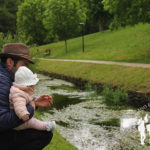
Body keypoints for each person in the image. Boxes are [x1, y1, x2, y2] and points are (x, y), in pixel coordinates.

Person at [0, 43, 53, 150]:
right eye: (23, 65)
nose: (26, 69)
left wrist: (35, 103)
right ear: (10, 62)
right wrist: (31, 107)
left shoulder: (6, 76)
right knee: (43, 135)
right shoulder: (2, 81)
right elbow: (2, 122)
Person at [9, 66, 56, 131]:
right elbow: (19, 104)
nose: (34, 87)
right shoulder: (18, 93)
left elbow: (27, 100)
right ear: (28, 85)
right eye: (33, 85)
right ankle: (46, 126)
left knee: (33, 121)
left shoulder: (22, 91)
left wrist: (35, 101)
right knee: (32, 122)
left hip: (18, 118)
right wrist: (23, 114)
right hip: (17, 123)